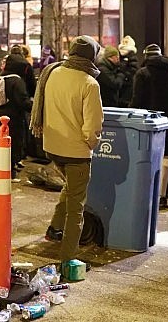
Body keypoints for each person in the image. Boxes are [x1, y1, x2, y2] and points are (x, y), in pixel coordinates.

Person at [30, 35, 103, 275]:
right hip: (76, 151)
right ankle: (67, 258)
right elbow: (92, 126)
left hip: (53, 147)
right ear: (91, 56)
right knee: (77, 207)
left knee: (71, 188)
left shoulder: (53, 73)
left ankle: (54, 229)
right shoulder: (89, 83)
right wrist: (90, 144)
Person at [130, 44, 168, 209]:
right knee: (165, 157)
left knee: (146, 157)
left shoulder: (143, 73)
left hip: (147, 122)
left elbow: (137, 100)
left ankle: (146, 194)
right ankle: (162, 196)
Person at [0, 52, 33, 178]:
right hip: (14, 118)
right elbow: (22, 101)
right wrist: (34, 107)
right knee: (13, 143)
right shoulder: (16, 81)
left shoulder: (1, 77)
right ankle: (10, 172)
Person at [118, 36, 139, 107]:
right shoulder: (132, 57)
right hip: (126, 88)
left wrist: (122, 76)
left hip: (124, 88)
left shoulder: (122, 57)